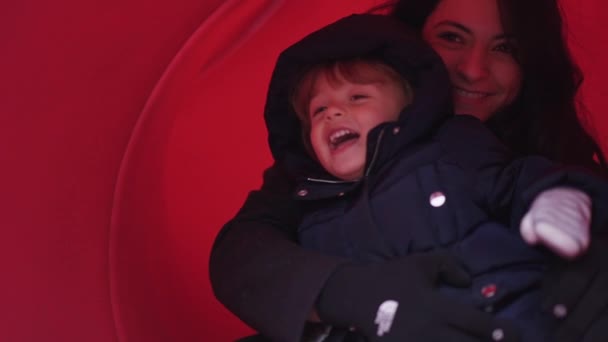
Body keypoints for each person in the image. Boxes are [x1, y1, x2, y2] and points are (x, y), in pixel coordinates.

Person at [209, 0, 608, 341]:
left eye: (504, 47)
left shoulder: (549, 158)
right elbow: (242, 251)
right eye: (452, 37)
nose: (473, 69)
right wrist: (346, 293)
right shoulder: (322, 174)